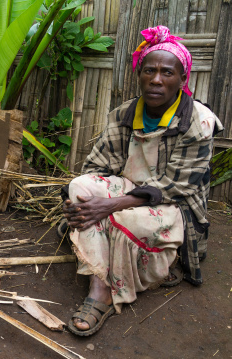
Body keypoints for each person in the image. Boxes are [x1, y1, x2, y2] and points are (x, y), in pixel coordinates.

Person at [61, 25, 223, 336]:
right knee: (80, 188)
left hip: (176, 205)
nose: (157, 79)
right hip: (130, 191)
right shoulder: (125, 114)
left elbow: (177, 187)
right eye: (150, 70)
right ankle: (101, 281)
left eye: (167, 72)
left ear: (182, 79)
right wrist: (89, 202)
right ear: (140, 74)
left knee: (123, 219)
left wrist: (110, 205)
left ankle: (106, 292)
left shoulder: (197, 122)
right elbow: (97, 165)